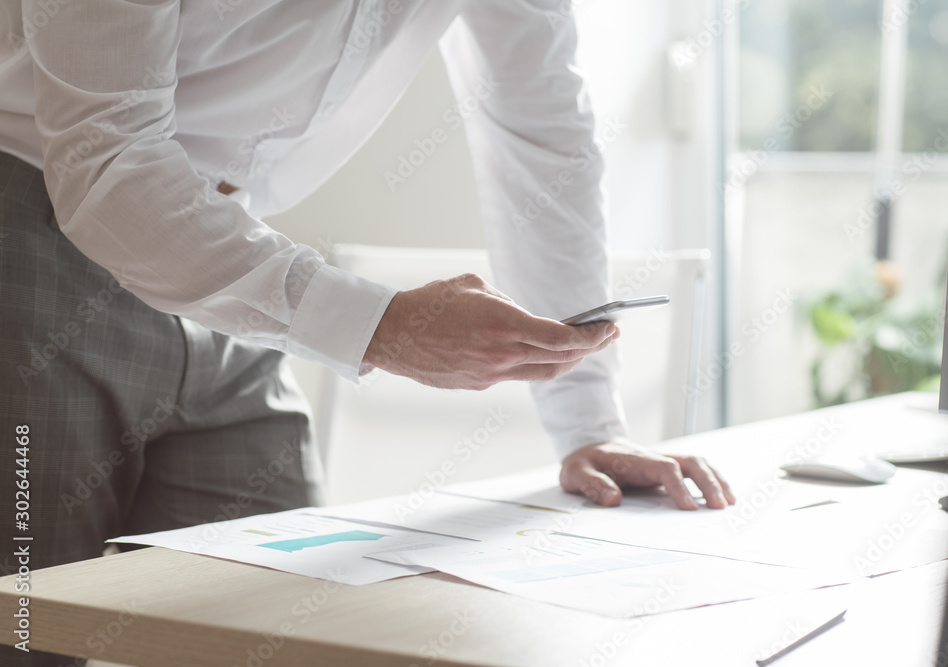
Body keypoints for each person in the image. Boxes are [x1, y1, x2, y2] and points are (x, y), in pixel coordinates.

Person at [0, 2, 734, 664]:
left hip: (228, 254)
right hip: (31, 233)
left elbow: (542, 130)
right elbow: (107, 163)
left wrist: (589, 421)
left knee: (297, 633)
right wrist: (380, 326)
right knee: (24, 627)